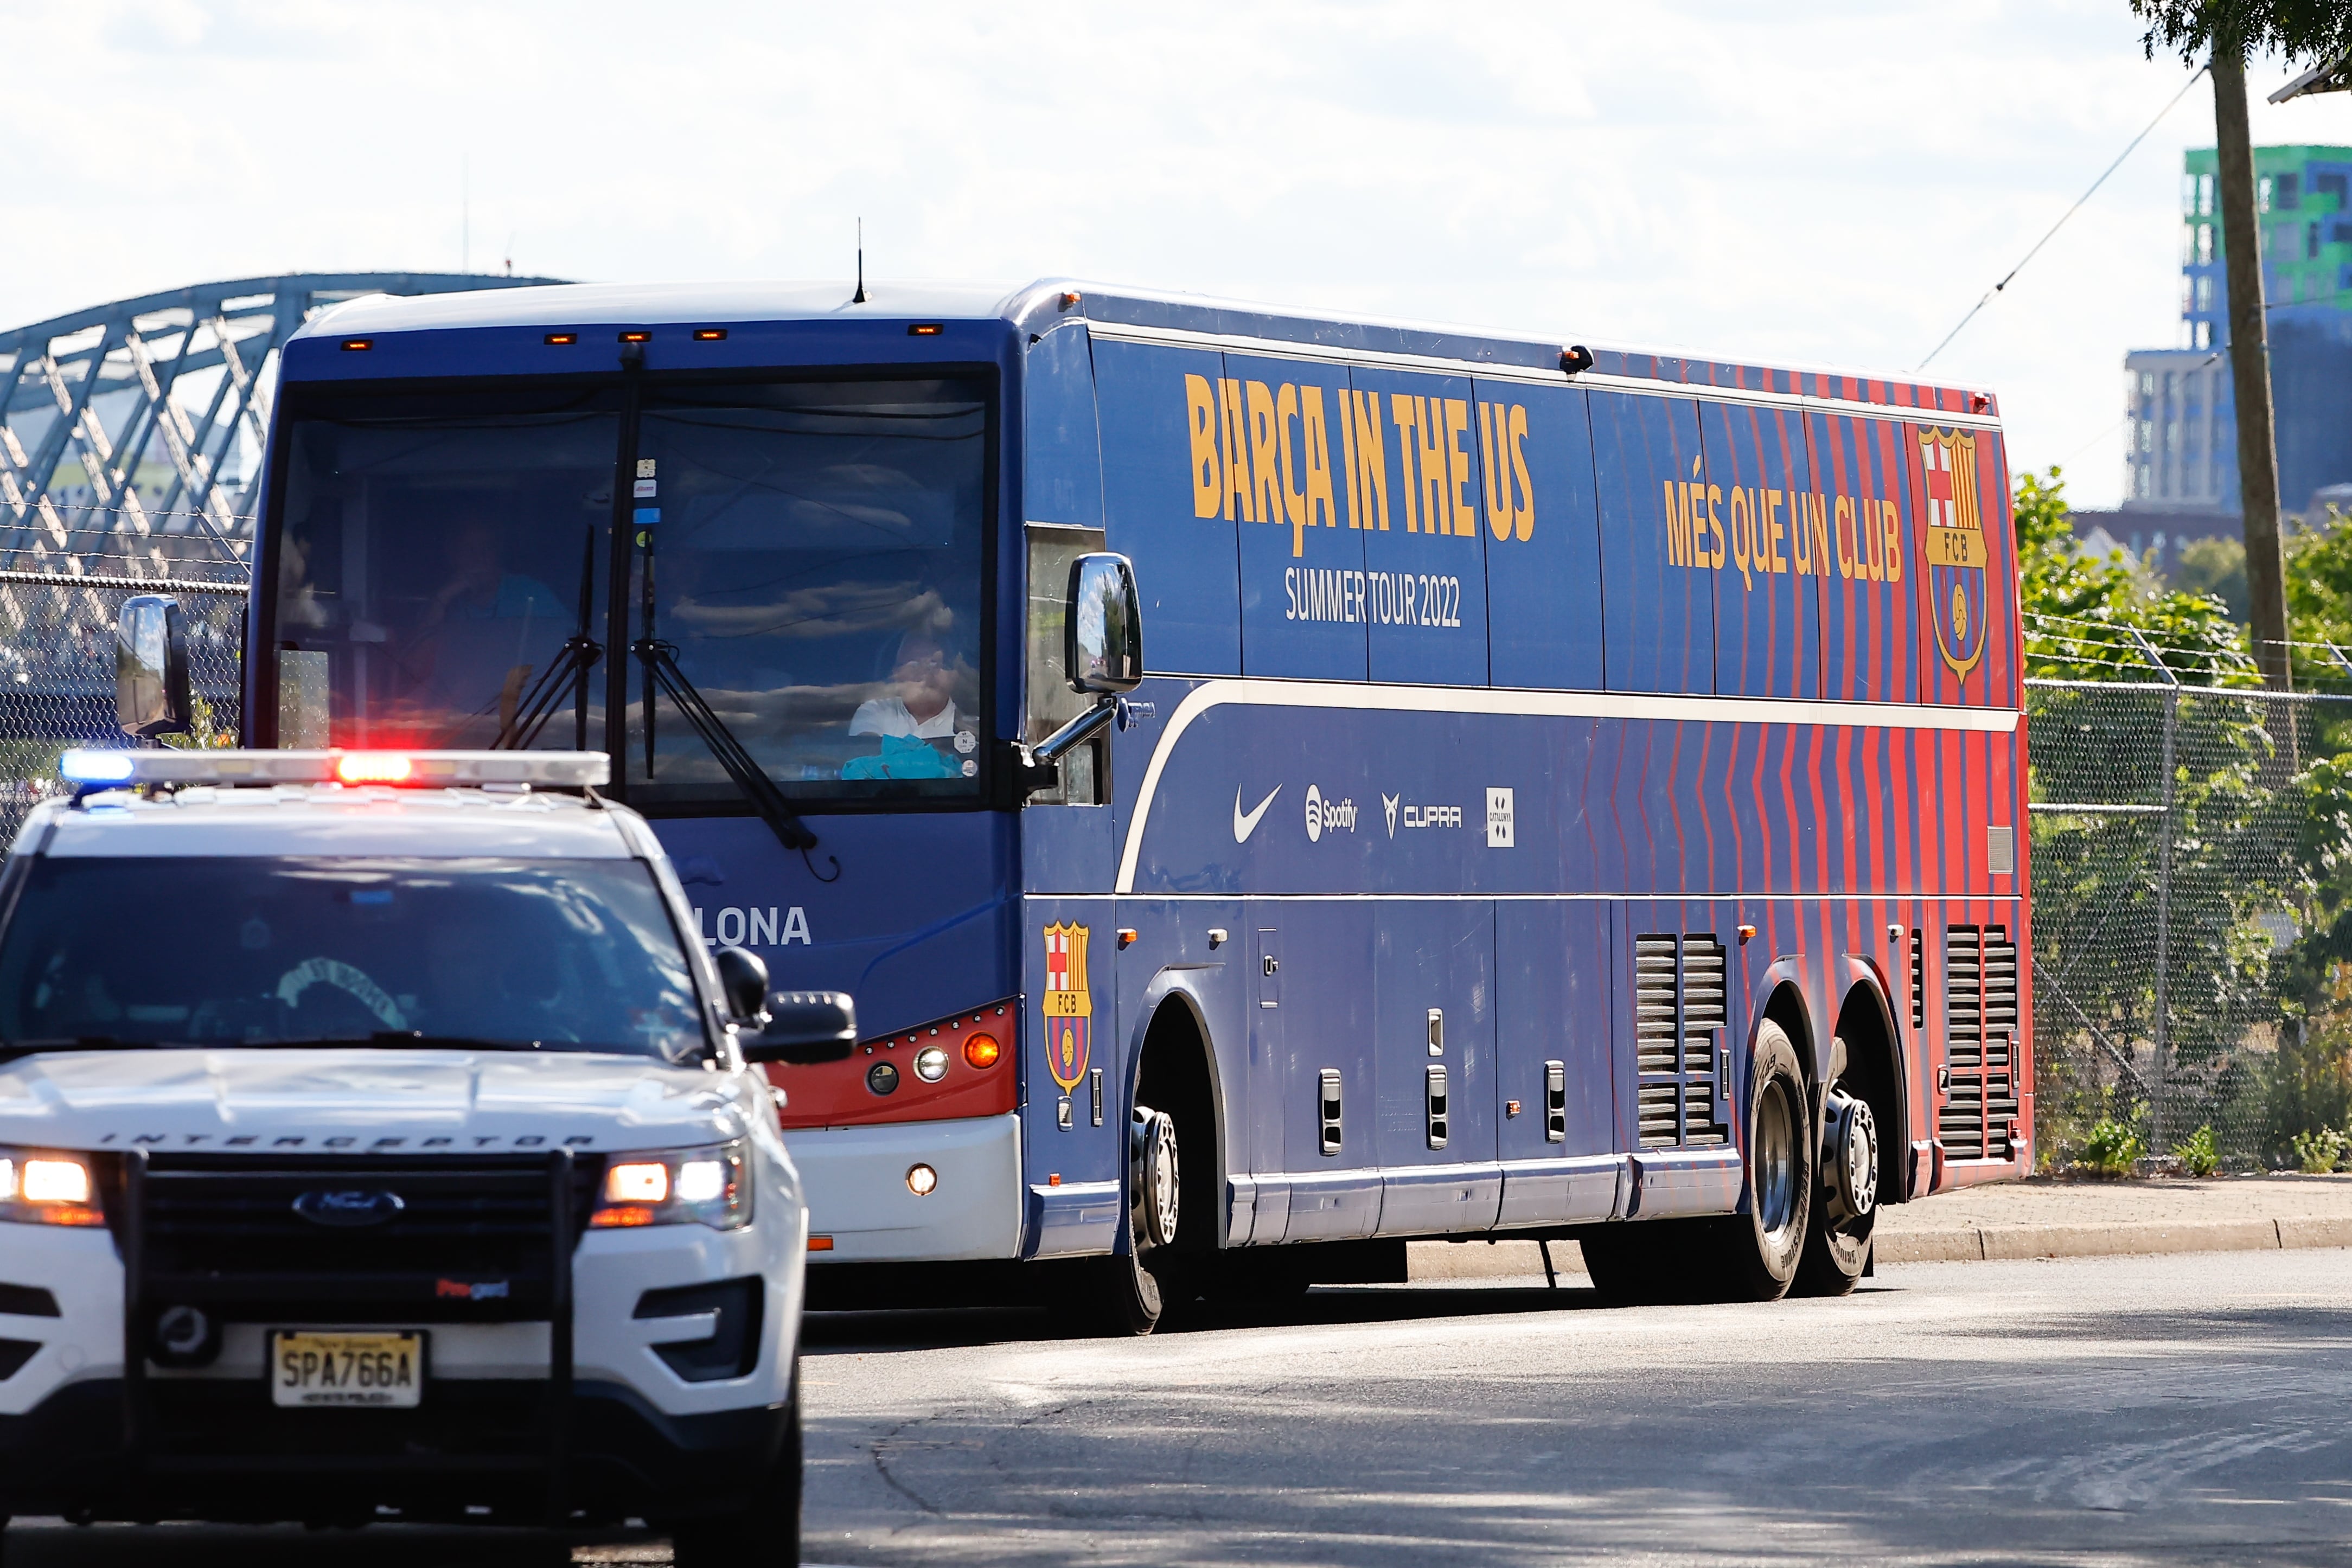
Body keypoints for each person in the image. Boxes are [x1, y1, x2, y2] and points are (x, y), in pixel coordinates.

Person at [843, 629, 970, 780]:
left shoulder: (970, 723)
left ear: (954, 675)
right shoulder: (873, 711)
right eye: (914, 664)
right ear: (896, 673)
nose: (925, 672)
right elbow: (860, 773)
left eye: (934, 663)